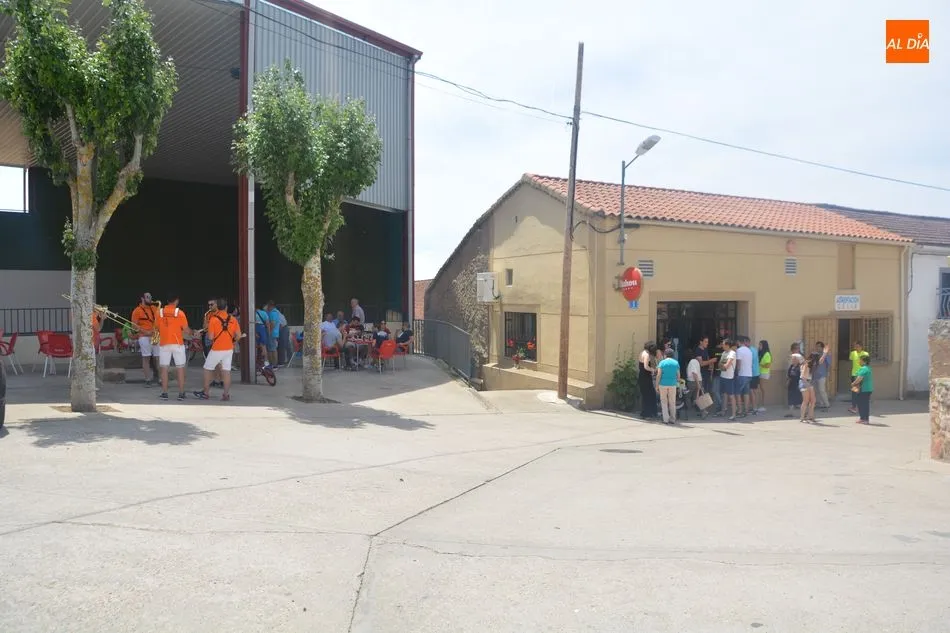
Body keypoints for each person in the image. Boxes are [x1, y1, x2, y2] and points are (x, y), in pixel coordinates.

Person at [194, 298, 241, 402]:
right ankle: (226, 395)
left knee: (207, 368)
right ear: (226, 307)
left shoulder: (213, 319)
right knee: (226, 371)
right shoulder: (233, 319)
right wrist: (232, 341)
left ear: (217, 307)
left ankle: (206, 393)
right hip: (229, 349)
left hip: (217, 349)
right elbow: (238, 335)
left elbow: (210, 337)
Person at [157, 295, 192, 401]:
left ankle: (164, 393)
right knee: (180, 368)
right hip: (177, 344)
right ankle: (181, 393)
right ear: (176, 301)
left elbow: (157, 327)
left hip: (164, 343)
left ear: (167, 300)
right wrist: (193, 332)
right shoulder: (180, 313)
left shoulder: (159, 313)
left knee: (164, 369)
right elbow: (186, 330)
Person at [131, 293, 159, 386]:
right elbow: (134, 326)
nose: (150, 299)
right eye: (147, 297)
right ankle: (147, 379)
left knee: (158, 358)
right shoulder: (137, 311)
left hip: (155, 335)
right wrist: (146, 332)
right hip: (143, 336)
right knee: (146, 358)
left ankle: (160, 378)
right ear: (142, 298)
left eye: (150, 297)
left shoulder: (155, 308)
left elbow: (159, 321)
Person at [657, 348, 680, 425]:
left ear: (665, 355)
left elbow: (659, 375)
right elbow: (678, 375)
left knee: (664, 401)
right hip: (673, 384)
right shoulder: (676, 363)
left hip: (663, 384)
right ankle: (672, 419)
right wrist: (677, 383)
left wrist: (657, 385)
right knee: (672, 402)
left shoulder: (662, 363)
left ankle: (665, 419)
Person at [638, 342, 659, 419]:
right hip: (646, 377)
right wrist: (653, 370)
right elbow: (646, 366)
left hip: (642, 376)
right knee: (649, 395)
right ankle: (647, 414)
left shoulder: (642, 353)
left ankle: (647, 413)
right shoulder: (646, 355)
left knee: (646, 395)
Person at [848, 342, 870, 415]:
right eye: (855, 346)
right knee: (854, 391)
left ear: (861, 347)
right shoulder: (852, 353)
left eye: (858, 346)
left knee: (862, 391)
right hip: (854, 374)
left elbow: (867, 363)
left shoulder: (866, 354)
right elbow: (851, 360)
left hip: (862, 375)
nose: (856, 348)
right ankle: (854, 407)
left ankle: (860, 406)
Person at [719, 338, 738, 421]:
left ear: (727, 345)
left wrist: (723, 365)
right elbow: (720, 365)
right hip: (723, 376)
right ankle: (723, 411)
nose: (722, 346)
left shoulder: (732, 353)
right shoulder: (724, 353)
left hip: (729, 377)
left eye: (723, 344)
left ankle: (734, 414)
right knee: (724, 394)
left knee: (731, 395)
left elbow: (727, 366)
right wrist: (723, 366)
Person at [735, 336, 754, 417]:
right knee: (746, 393)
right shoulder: (749, 350)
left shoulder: (739, 350)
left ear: (739, 342)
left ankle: (739, 411)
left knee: (737, 393)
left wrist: (736, 373)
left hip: (742, 374)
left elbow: (739, 364)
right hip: (749, 374)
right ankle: (746, 410)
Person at [852, 355, 873, 424]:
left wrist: (853, 383)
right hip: (867, 389)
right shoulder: (868, 368)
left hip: (864, 389)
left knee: (863, 404)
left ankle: (865, 419)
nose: (859, 361)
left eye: (860, 360)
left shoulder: (864, 368)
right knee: (862, 404)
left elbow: (859, 378)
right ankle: (863, 418)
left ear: (864, 361)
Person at [686, 349, 707, 419]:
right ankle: (702, 412)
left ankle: (690, 412)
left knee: (687, 397)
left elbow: (694, 373)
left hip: (693, 382)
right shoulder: (695, 361)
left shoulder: (692, 361)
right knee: (697, 398)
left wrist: (698, 384)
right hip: (698, 381)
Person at [799, 352, 819, 423]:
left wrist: (824, 354)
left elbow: (820, 362)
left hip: (809, 382)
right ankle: (802, 418)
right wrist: (808, 385)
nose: (816, 362)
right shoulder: (806, 364)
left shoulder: (811, 364)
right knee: (805, 401)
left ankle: (810, 416)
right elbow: (802, 376)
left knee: (813, 401)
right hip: (804, 382)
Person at [784, 346, 803, 418]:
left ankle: (805, 412)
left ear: (797, 360)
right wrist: (787, 382)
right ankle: (791, 413)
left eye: (794, 359)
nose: (792, 360)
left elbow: (802, 377)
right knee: (790, 399)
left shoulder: (800, 367)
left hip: (798, 385)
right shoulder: (791, 366)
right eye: (792, 358)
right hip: (791, 385)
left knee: (799, 400)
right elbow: (789, 375)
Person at [813, 341, 832, 410]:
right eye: (816, 346)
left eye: (818, 346)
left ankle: (827, 404)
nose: (817, 348)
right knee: (816, 390)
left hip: (822, 375)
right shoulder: (814, 354)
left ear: (822, 347)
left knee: (822, 390)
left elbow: (829, 364)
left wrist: (828, 373)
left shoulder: (826, 355)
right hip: (815, 375)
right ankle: (819, 403)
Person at [756, 340, 771, 412]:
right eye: (759, 345)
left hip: (764, 373)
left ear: (764, 346)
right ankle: (760, 405)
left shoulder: (767, 354)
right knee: (760, 389)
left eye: (760, 345)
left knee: (762, 389)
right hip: (759, 372)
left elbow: (768, 365)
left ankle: (763, 405)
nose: (759, 346)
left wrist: (760, 364)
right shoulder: (760, 353)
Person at [266, 300, 281, 367]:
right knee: (272, 349)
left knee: (272, 349)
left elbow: (273, 323)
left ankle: (273, 364)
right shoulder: (275, 312)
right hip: (274, 333)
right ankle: (273, 364)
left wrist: (269, 331)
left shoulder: (273, 313)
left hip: (272, 333)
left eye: (268, 306)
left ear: (271, 306)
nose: (267, 307)